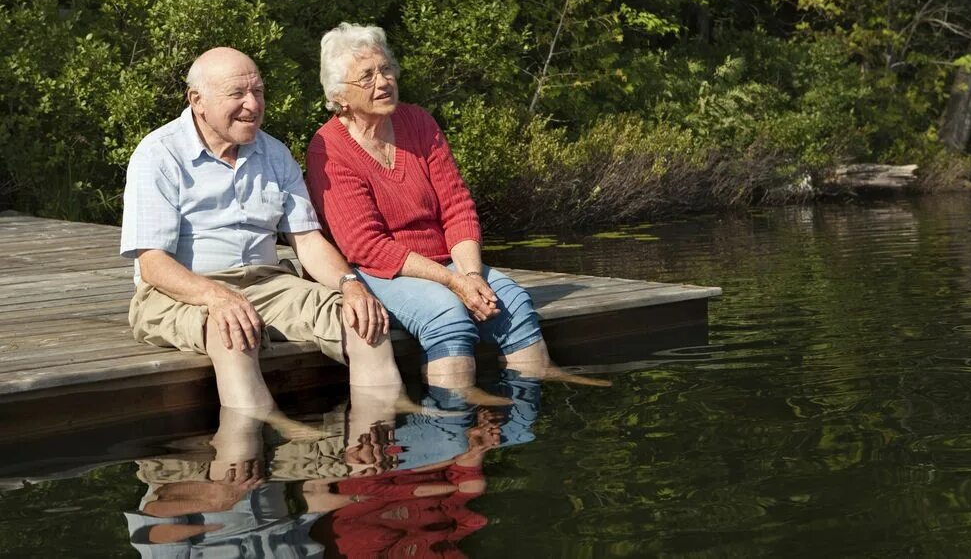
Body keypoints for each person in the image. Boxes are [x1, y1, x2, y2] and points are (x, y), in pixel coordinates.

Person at [306, 23, 607, 395]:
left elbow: (457, 207)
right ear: (340, 96)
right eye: (366, 77)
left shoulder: (418, 121)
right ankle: (452, 419)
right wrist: (453, 282)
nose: (383, 81)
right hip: (382, 271)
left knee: (512, 302)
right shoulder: (328, 148)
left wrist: (471, 274)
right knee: (448, 317)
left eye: (386, 69)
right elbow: (365, 245)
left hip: (448, 260)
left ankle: (529, 398)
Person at [120, 47, 408, 429]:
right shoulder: (158, 155)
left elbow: (307, 242)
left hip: (267, 282)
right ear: (197, 101)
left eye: (258, 92)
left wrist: (350, 284)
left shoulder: (274, 153)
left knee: (363, 320)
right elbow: (153, 264)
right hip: (180, 290)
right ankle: (256, 443)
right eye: (237, 94)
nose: (252, 105)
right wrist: (216, 298)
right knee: (231, 333)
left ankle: (377, 441)